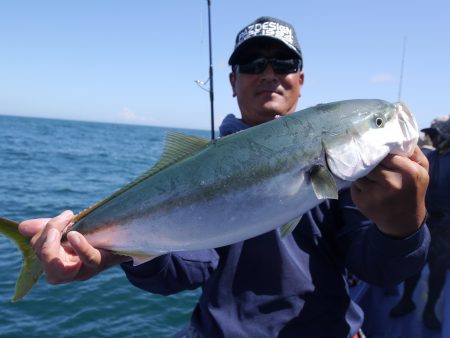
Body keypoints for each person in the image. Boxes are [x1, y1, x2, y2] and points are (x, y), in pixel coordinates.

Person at [19, 17, 430, 338]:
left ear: (300, 81)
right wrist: (116, 251)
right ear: (232, 82)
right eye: (252, 64)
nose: (269, 73)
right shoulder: (202, 166)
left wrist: (402, 227)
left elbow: (379, 270)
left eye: (283, 63)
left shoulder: (360, 176)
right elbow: (189, 264)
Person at [390, 115, 450, 330]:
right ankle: (406, 300)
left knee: (438, 270)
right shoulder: (429, 156)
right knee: (414, 265)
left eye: (434, 134)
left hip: (445, 228)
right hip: (423, 221)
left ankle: (430, 309)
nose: (430, 138)